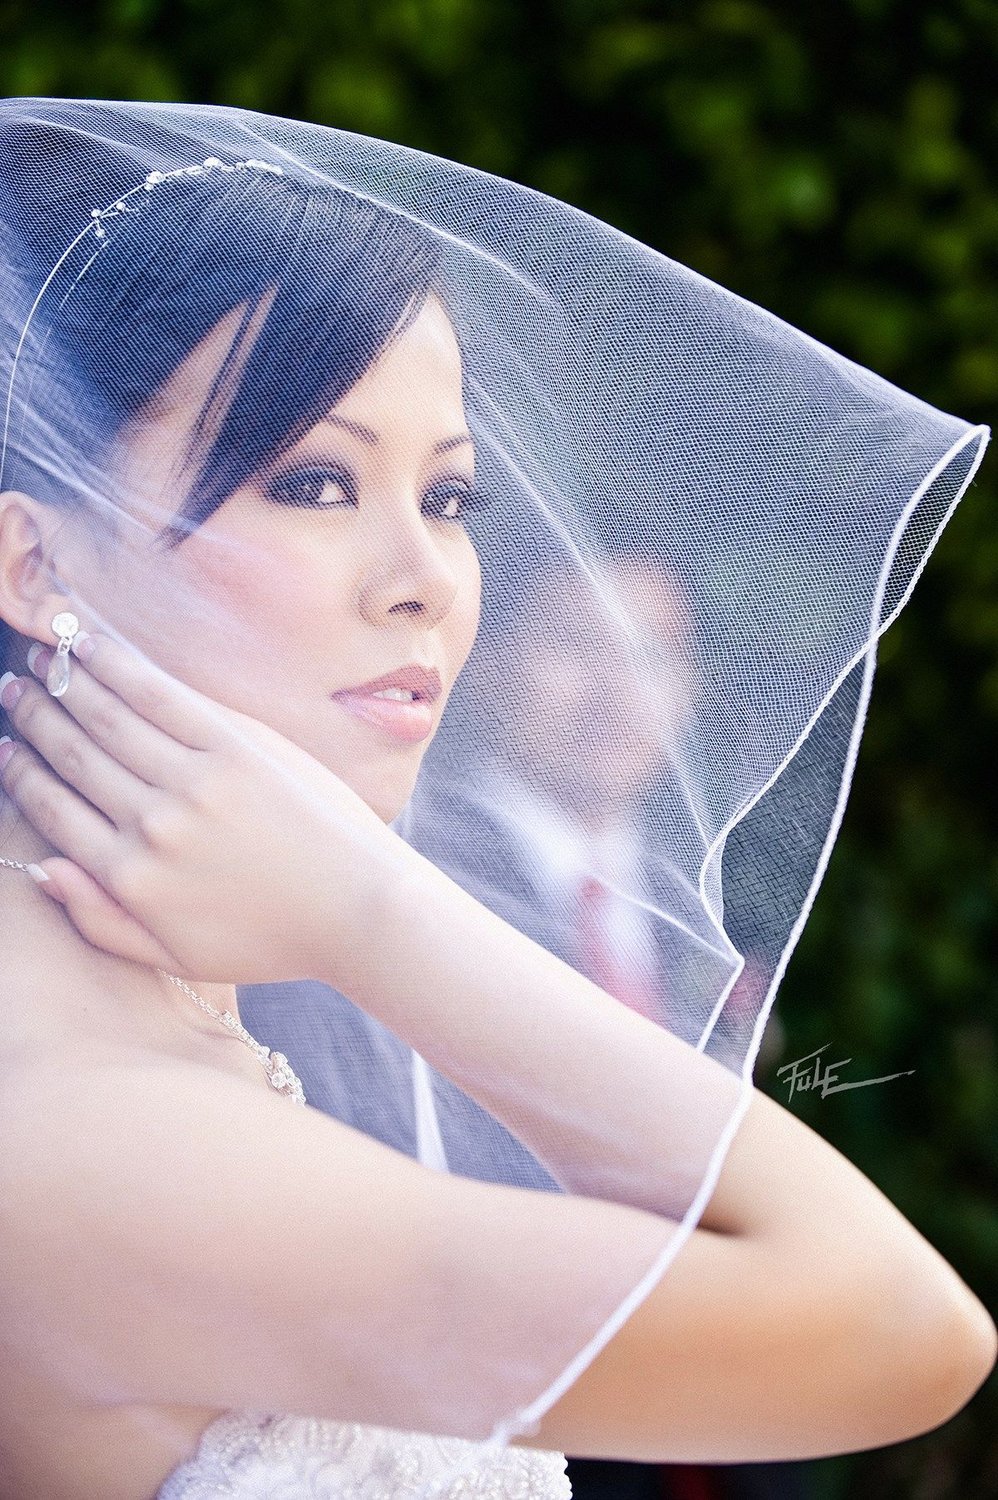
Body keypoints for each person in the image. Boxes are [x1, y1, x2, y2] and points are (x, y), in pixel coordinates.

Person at [0, 98, 993, 1500]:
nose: (426, 581)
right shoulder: (88, 1135)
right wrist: (372, 916)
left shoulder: (172, 1032)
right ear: (32, 563)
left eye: (451, 499)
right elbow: (903, 1329)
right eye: (315, 481)